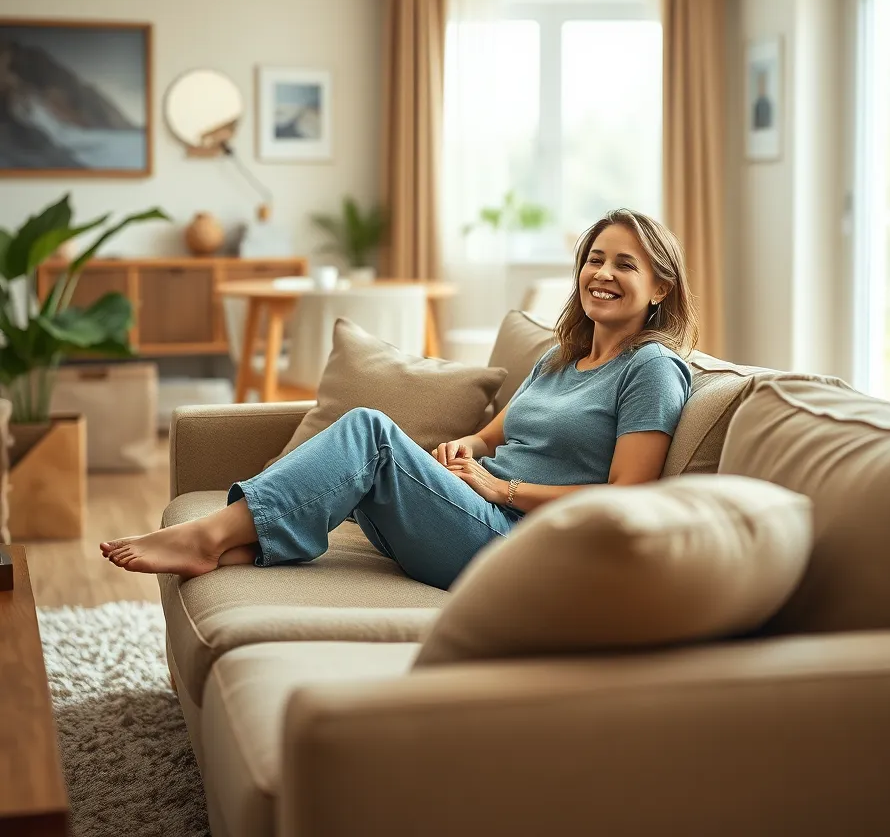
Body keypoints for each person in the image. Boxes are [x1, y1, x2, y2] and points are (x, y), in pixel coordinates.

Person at [100, 209, 697, 590]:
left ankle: (209, 536)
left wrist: (504, 490)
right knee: (359, 460)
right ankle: (235, 545)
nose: (602, 273)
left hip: (516, 541)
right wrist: (466, 449)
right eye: (595, 259)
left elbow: (630, 496)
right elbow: (494, 435)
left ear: (660, 287)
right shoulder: (561, 357)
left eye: (625, 265)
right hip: (471, 511)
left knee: (369, 433)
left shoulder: (651, 368)